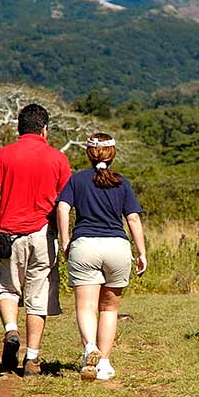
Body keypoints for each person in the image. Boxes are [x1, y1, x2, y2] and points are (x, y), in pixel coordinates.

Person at [0, 103, 71, 376]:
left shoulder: (3, 155)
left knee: (6, 288)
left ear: (19, 128)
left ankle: (10, 330)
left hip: (8, 235)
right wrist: (66, 239)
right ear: (45, 129)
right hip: (43, 233)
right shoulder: (58, 159)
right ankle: (32, 359)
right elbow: (64, 204)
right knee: (38, 295)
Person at [56, 132, 147, 381]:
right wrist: (141, 252)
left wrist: (65, 241)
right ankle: (104, 364)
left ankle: (90, 348)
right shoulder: (122, 182)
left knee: (86, 306)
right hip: (117, 247)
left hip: (85, 245)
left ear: (88, 153)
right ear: (113, 154)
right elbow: (133, 218)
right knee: (109, 308)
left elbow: (62, 208)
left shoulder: (77, 180)